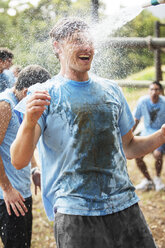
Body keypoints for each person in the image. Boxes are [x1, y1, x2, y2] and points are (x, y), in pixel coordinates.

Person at [10, 17, 165, 248]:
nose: (87, 47)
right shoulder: (43, 94)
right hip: (75, 212)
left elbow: (130, 147)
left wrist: (162, 135)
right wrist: (29, 122)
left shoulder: (111, 90)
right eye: (77, 41)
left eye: (89, 41)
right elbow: (18, 160)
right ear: (57, 46)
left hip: (125, 204)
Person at [0, 64, 51, 248]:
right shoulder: (5, 106)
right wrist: (7, 189)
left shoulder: (21, 102)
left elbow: (22, 141)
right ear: (28, 91)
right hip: (7, 197)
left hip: (21, 191)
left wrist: (34, 168)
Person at [132, 81, 165, 192]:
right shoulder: (143, 101)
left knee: (158, 155)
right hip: (145, 134)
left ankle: (157, 178)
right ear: (148, 91)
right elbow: (136, 119)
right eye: (151, 89)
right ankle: (148, 180)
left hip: (159, 134)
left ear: (160, 92)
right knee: (137, 156)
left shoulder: (164, 103)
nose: (154, 92)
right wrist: (130, 134)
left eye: (156, 89)